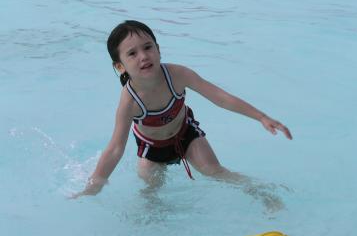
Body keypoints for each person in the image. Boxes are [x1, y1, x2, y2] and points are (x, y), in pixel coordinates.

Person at [72, 20, 292, 200]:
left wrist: (261, 117)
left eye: (148, 47)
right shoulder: (130, 102)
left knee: (214, 171)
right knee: (150, 192)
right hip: (152, 149)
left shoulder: (178, 76)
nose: (143, 56)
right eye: (132, 53)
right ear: (119, 67)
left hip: (186, 135)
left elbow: (220, 98)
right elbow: (115, 148)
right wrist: (94, 185)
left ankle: (265, 194)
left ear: (158, 50)